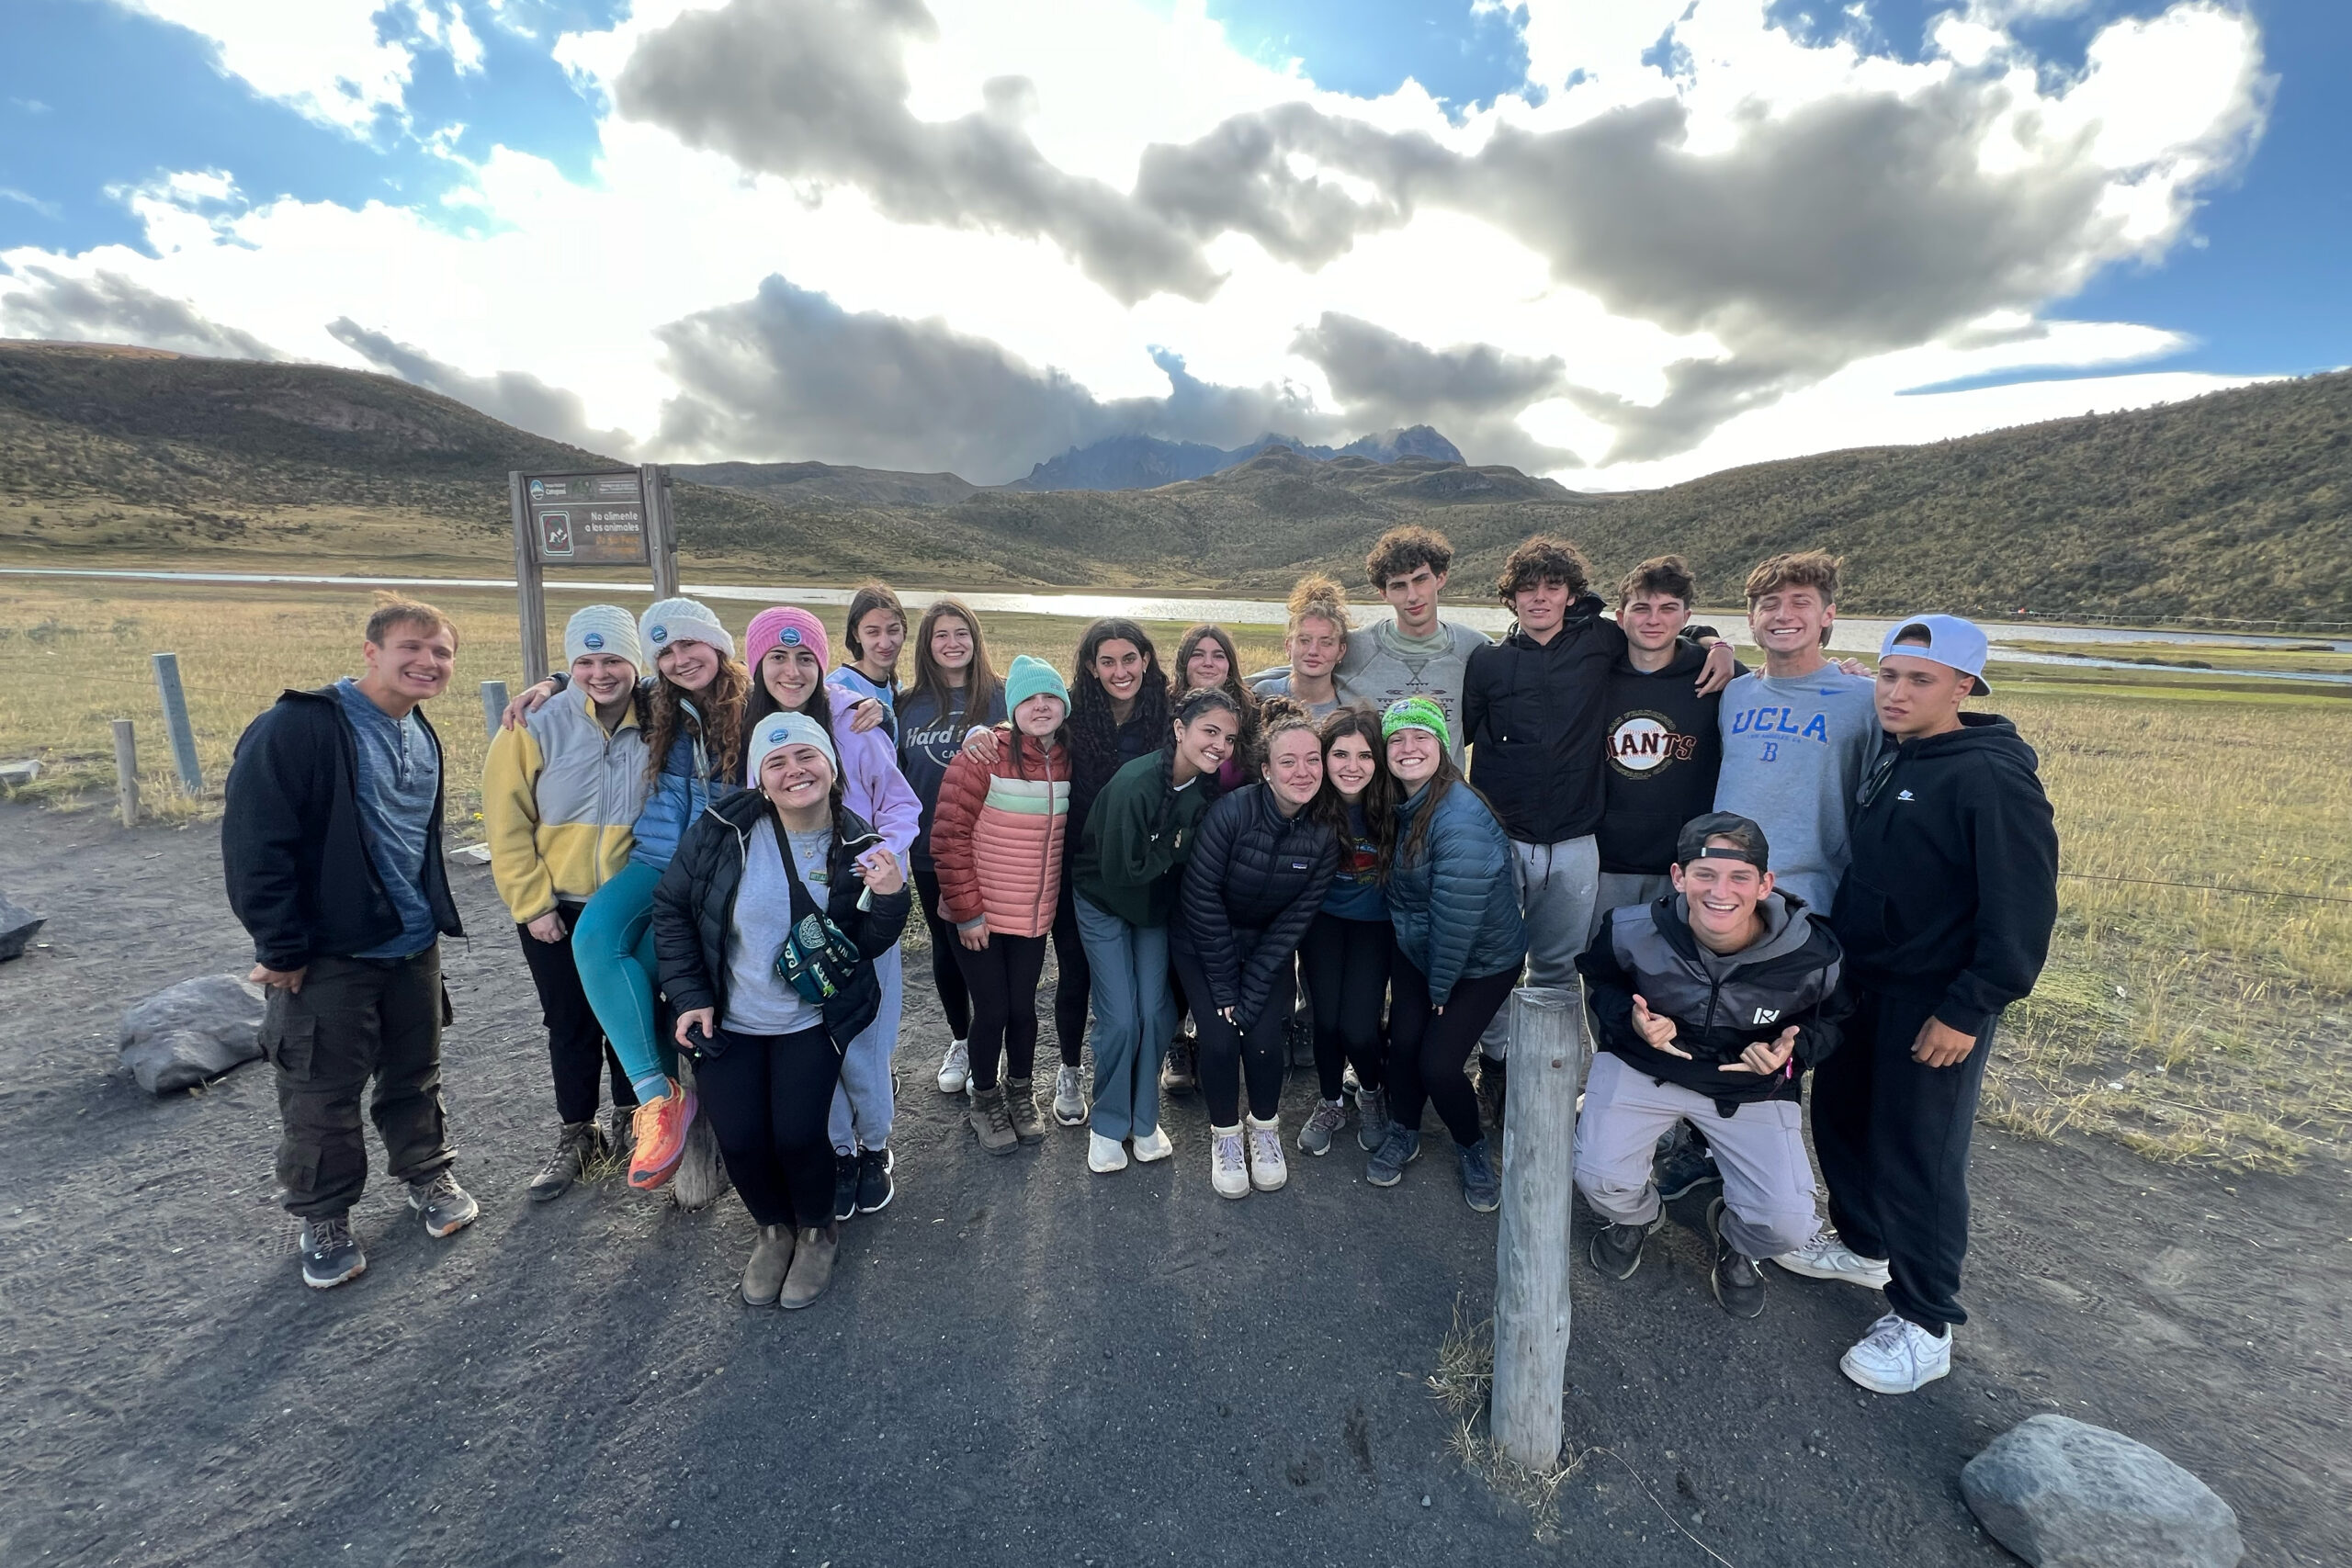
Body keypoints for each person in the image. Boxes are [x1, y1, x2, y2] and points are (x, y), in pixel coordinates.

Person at [1789, 616, 2058, 1394]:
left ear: (1964, 687)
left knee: (1919, 1152)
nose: (1896, 693)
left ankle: (1926, 1319)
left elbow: (2021, 910)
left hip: (1931, 1002)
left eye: (1920, 679)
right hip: (1862, 984)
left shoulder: (1992, 777)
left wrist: (1971, 1007)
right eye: (1888, 675)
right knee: (1841, 1116)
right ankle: (1866, 1247)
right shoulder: (1899, 751)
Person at [222, 595, 476, 1290]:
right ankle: (324, 1214)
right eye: (412, 647)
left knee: (414, 1069)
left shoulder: (419, 731)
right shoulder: (300, 727)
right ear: (372, 651)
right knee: (319, 1089)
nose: (428, 661)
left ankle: (426, 1173)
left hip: (411, 943)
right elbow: (254, 844)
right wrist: (279, 947)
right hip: (329, 952)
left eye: (442, 651)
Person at [1459, 537, 1734, 1129]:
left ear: (1572, 594)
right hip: (1503, 837)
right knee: (1497, 961)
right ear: (1510, 598)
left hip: (1578, 842)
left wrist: (1714, 640)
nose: (1539, 598)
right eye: (1526, 589)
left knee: (1559, 967)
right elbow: (1461, 739)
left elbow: (1657, 627)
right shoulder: (1486, 662)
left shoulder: (1598, 642)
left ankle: (1550, 1076)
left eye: (1552, 587)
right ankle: (1497, 1066)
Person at [651, 713, 910, 1311]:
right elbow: (672, 909)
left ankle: (817, 1231)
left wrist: (894, 897)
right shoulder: (722, 829)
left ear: (831, 764)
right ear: (760, 778)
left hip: (809, 1021)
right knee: (741, 1140)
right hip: (727, 1018)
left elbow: (864, 943)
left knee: (798, 1136)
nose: (795, 770)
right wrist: (691, 996)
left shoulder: (858, 845)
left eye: (806, 756)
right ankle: (773, 1230)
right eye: (777, 761)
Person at [1574, 813, 1847, 1319]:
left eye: (1740, 876)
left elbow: (1837, 1021)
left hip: (1749, 1086)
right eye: (1705, 874)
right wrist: (1631, 1025)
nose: (1721, 891)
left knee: (1786, 1223)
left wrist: (1794, 1052)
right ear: (1679, 877)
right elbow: (1600, 984)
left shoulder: (1815, 955)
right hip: (1647, 1066)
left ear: (1766, 884)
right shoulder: (1631, 929)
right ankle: (1637, 1217)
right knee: (1598, 1178)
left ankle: (1737, 1238)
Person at [741, 606, 922, 1222]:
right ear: (755, 666)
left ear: (822, 662)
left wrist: (881, 857)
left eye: (804, 658)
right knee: (812, 1041)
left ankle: (874, 1146)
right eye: (777, 658)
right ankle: (839, 1150)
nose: (792, 671)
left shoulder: (852, 716)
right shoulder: (747, 730)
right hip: (787, 915)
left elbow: (901, 804)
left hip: (862, 906)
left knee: (865, 1039)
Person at [567, 598, 749, 1194]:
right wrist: (549, 681)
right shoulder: (659, 702)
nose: (677, 659)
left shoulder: (754, 704)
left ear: (717, 644)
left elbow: (820, 694)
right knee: (594, 936)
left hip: (720, 870)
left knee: (647, 966)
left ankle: (683, 1111)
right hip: (656, 861)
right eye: (664, 651)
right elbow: (598, 676)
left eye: (688, 645)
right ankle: (658, 1100)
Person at [962, 619, 1170, 1127]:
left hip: (1143, 873)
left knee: (1142, 987)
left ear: (1146, 659)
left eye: (1130, 658)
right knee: (1074, 975)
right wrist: (980, 731)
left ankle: (1142, 1071)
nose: (1120, 671)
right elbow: (1025, 725)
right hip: (1073, 870)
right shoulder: (1074, 715)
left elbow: (1222, 711)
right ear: (1091, 667)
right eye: (1107, 661)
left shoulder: (1167, 712)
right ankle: (1071, 1069)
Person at [480, 604, 650, 1201]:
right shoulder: (532, 724)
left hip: (626, 901)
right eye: (584, 661)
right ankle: (578, 1130)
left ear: (636, 661)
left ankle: (634, 1117)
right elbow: (506, 822)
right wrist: (532, 902)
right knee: (569, 1019)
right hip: (558, 902)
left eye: (613, 660)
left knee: (631, 1011)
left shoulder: (658, 716)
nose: (599, 673)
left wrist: (554, 675)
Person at [1070, 685, 1239, 1173]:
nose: (1219, 746)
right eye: (1210, 732)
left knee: (1158, 1014)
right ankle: (1107, 1124)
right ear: (1180, 729)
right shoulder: (1135, 783)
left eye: (1228, 738)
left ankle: (1143, 1120)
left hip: (1154, 908)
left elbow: (1174, 865)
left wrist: (1172, 851)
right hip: (1105, 901)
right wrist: (1177, 846)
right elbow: (1125, 875)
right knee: (1121, 1018)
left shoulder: (1207, 787)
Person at [1365, 697, 1524, 1212]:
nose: (1408, 748)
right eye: (1397, 739)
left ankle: (1471, 1146)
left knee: (1437, 1062)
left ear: (1442, 746)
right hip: (1422, 946)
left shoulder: (1458, 817)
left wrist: (1438, 989)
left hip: (1479, 961)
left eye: (1421, 737)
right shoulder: (1404, 802)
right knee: (1404, 1042)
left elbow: (1458, 918)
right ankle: (1404, 1128)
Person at [1174, 698, 1339, 1197]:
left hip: (1266, 945)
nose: (1302, 771)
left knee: (1265, 1038)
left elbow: (1295, 921)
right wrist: (1227, 985)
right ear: (1265, 770)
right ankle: (1225, 1136)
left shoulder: (1324, 834)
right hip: (1204, 939)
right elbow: (1200, 897)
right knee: (1221, 1039)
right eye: (1287, 761)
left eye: (1313, 760)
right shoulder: (1231, 813)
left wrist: (1255, 984)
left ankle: (1264, 1129)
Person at [931, 655, 1071, 1153]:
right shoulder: (984, 755)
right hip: (980, 916)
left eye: (1051, 696)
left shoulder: (1068, 757)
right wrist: (968, 913)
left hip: (1031, 916)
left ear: (1065, 705)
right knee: (991, 1010)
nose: (1041, 706)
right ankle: (985, 1097)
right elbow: (948, 837)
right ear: (1012, 708)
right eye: (1029, 698)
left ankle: (1020, 1092)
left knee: (1023, 1009)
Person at [1713, 551, 1880, 915]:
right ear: (1751, 619)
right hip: (1723, 887)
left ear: (1827, 615)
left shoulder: (1865, 698)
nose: (1783, 615)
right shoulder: (1734, 693)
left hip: (1811, 897)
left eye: (1800, 602)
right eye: (1769, 604)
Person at [894, 598, 1007, 1096]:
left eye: (961, 632)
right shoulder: (906, 704)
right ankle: (962, 1039)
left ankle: (992, 1040)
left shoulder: (1001, 696)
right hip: (931, 848)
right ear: (926, 644)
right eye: (941, 635)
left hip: (995, 845)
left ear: (975, 638)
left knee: (993, 947)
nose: (953, 643)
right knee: (948, 944)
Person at [1295, 705, 1396, 1156]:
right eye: (1340, 754)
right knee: (1326, 1019)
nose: (1351, 767)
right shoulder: (1311, 800)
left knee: (1359, 1025)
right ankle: (1331, 1099)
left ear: (1379, 759)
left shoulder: (1394, 804)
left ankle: (1371, 1092)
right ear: (1323, 757)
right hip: (1323, 922)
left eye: (1364, 755)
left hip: (1377, 925)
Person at [1250, 574, 1351, 721]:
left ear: (1341, 651)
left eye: (1326, 642)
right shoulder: (1263, 693)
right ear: (1288, 646)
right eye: (1304, 641)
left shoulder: (1348, 706)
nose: (1313, 651)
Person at [828, 581, 907, 743]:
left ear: (903, 631)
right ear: (856, 634)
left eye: (893, 630)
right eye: (873, 632)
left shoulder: (898, 688)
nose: (885, 643)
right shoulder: (835, 688)